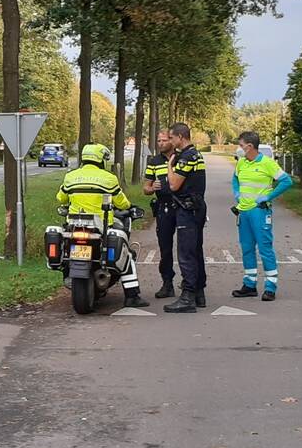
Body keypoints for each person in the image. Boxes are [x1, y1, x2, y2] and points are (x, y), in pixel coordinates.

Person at [57, 143, 149, 308]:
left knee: (65, 250)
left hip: (74, 226)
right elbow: (122, 202)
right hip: (101, 228)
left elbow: (61, 199)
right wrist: (128, 207)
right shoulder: (109, 178)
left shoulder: (70, 176)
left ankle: (69, 273)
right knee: (126, 255)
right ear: (100, 159)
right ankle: (132, 296)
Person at [231, 131, 293, 301]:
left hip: (260, 211)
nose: (239, 149)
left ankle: (270, 287)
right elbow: (235, 179)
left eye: (241, 145)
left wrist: (268, 196)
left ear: (250, 146)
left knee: (265, 249)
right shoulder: (242, 163)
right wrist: (236, 192)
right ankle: (249, 284)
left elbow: (286, 181)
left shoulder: (267, 163)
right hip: (243, 212)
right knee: (247, 248)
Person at [163, 123, 207, 313]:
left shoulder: (186, 157)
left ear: (180, 137)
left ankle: (187, 296)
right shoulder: (196, 154)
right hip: (196, 207)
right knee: (196, 250)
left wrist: (169, 167)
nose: (170, 142)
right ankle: (199, 293)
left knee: (186, 253)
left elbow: (173, 185)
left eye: (171, 138)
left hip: (187, 209)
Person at [143, 129, 177, 299]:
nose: (161, 143)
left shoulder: (181, 157)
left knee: (188, 247)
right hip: (164, 207)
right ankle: (167, 283)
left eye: (164, 140)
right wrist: (152, 188)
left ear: (172, 140)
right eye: (158, 141)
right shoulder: (154, 161)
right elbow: (146, 188)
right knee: (165, 248)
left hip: (181, 206)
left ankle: (190, 283)